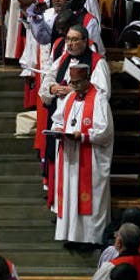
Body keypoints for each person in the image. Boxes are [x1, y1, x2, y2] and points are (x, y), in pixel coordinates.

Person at [49, 64, 113, 247]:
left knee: (89, 197)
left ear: (87, 80)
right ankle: (72, 235)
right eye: (72, 83)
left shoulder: (99, 99)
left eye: (78, 83)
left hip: (90, 157)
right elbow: (57, 119)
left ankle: (90, 238)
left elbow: (105, 132)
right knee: (70, 194)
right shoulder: (70, 97)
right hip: (70, 156)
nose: (74, 86)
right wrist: (58, 129)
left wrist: (84, 136)